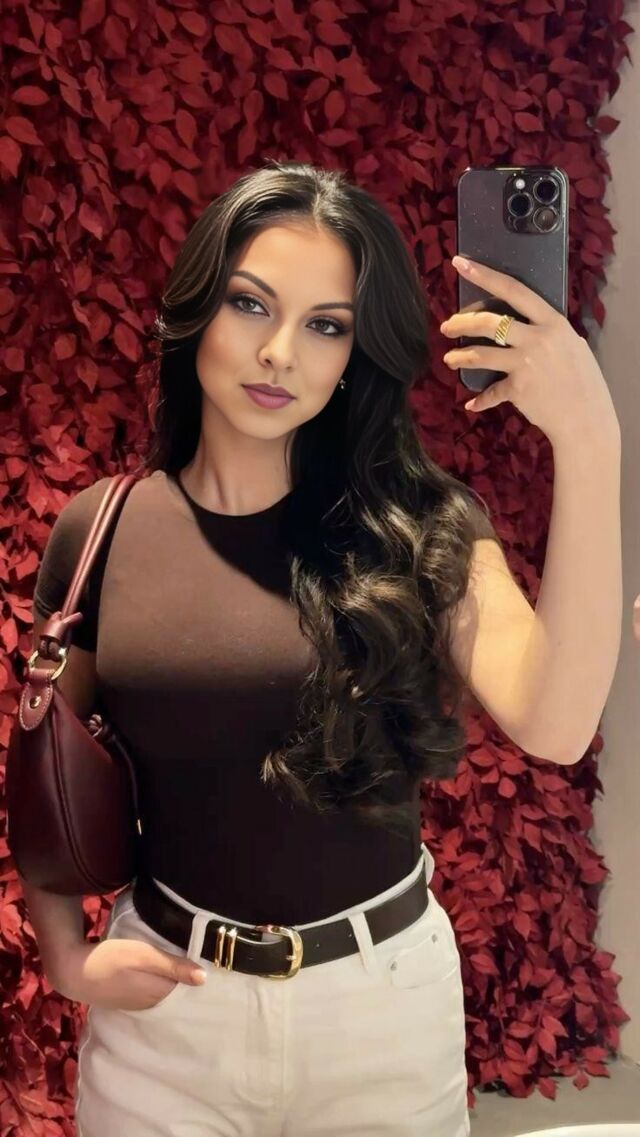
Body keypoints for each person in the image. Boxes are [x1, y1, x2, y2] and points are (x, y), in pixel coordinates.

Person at [22, 161, 622, 1137]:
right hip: (168, 1021)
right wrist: (65, 955)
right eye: (250, 304)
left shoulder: (421, 526)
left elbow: (555, 724)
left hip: (378, 1017)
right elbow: (43, 764)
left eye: (326, 325)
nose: (279, 352)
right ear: (197, 308)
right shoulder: (103, 530)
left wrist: (591, 443)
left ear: (355, 353)